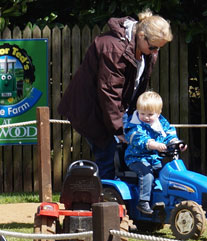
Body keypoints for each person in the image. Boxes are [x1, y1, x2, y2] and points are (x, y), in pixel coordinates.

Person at [58, 9, 173, 180]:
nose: (155, 52)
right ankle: (107, 203)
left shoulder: (145, 50)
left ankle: (131, 203)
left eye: (159, 49)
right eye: (153, 47)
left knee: (130, 156)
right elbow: (109, 93)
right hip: (91, 110)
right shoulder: (114, 49)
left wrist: (135, 122)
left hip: (114, 109)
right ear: (141, 35)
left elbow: (136, 88)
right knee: (108, 157)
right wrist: (123, 132)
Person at [124, 91, 184, 215]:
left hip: (154, 158)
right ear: (138, 110)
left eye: (150, 114)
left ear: (158, 113)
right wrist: (154, 145)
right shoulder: (134, 125)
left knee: (167, 173)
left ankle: (165, 200)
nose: (146, 117)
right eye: (142, 113)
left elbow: (169, 134)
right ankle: (143, 202)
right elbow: (138, 138)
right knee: (147, 174)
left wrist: (177, 143)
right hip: (136, 158)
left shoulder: (161, 123)